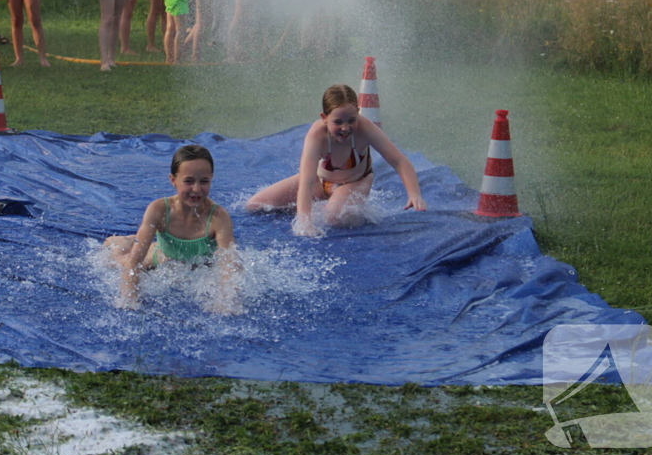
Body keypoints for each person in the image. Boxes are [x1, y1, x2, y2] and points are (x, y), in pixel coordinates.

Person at [246, 85, 427, 234]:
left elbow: (399, 161)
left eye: (351, 120)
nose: (346, 128)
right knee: (255, 205)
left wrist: (414, 194)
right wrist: (304, 221)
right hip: (320, 181)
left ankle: (344, 205)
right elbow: (307, 180)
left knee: (334, 217)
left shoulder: (366, 129)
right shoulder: (317, 135)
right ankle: (321, 202)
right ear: (324, 118)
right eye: (338, 122)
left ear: (358, 112)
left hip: (355, 183)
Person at [104, 145, 240, 313]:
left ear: (211, 179)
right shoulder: (159, 210)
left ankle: (135, 239)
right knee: (114, 262)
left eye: (204, 181)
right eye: (188, 181)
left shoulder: (218, 217)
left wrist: (227, 300)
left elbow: (229, 263)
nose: (196, 189)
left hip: (199, 265)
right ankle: (122, 242)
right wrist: (129, 299)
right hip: (163, 257)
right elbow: (133, 263)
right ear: (173, 180)